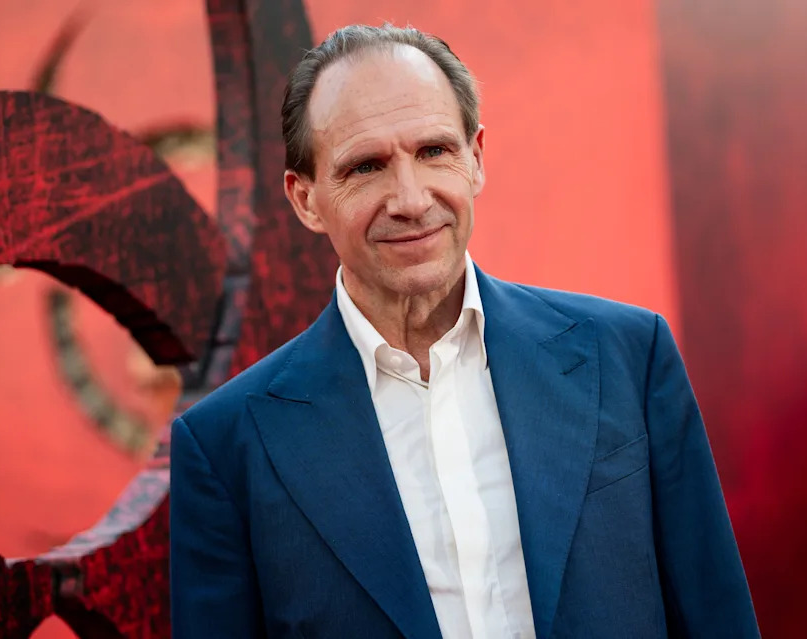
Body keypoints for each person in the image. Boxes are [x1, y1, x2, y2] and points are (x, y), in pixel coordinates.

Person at [169, 23, 759, 639]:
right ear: (305, 200)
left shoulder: (628, 358)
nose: (410, 199)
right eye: (366, 167)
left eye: (433, 151)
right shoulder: (226, 447)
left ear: (475, 159)